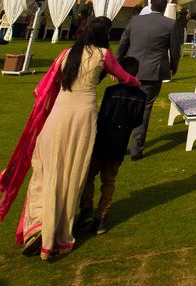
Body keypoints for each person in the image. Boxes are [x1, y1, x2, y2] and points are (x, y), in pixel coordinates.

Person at [9, 18, 142, 258]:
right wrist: (137, 82)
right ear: (104, 35)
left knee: (46, 168)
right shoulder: (102, 55)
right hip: (81, 116)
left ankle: (38, 224)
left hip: (59, 113)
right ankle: (57, 230)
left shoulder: (66, 54)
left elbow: (44, 87)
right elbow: (124, 77)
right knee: (72, 170)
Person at [77, 56, 146, 235]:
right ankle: (101, 217)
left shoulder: (111, 91)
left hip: (103, 138)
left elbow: (103, 115)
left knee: (89, 176)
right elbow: (138, 120)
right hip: (120, 142)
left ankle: (86, 210)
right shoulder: (141, 96)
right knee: (109, 180)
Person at [117, 0, 185, 160]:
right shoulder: (170, 24)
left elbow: (123, 44)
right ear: (163, 8)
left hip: (131, 70)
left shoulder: (135, 21)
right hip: (153, 72)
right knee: (145, 108)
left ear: (151, 6)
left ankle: (119, 145)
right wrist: (174, 66)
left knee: (126, 107)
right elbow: (174, 49)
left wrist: (117, 65)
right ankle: (136, 148)